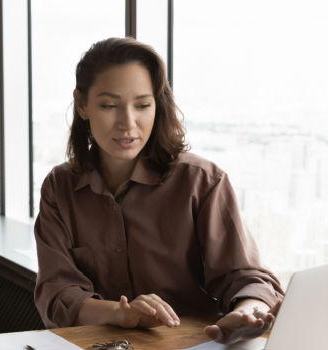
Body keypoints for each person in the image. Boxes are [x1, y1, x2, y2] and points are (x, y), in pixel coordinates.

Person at [33, 37, 284, 345]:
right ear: (82, 104)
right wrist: (122, 314)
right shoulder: (59, 188)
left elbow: (247, 278)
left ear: (157, 105)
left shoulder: (202, 181)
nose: (128, 123)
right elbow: (57, 293)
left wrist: (247, 313)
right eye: (109, 106)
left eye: (142, 105)